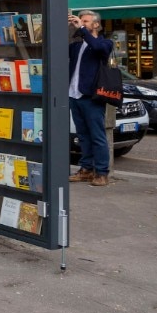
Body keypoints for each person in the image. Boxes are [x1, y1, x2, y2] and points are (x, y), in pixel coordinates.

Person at [68, 9, 114, 186]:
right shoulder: (77, 45)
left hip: (91, 96)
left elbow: (97, 48)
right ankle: (86, 169)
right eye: (80, 20)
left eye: (85, 21)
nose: (81, 23)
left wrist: (83, 30)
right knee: (83, 135)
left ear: (96, 24)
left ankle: (102, 172)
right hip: (74, 94)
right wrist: (67, 27)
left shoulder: (105, 43)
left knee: (97, 135)